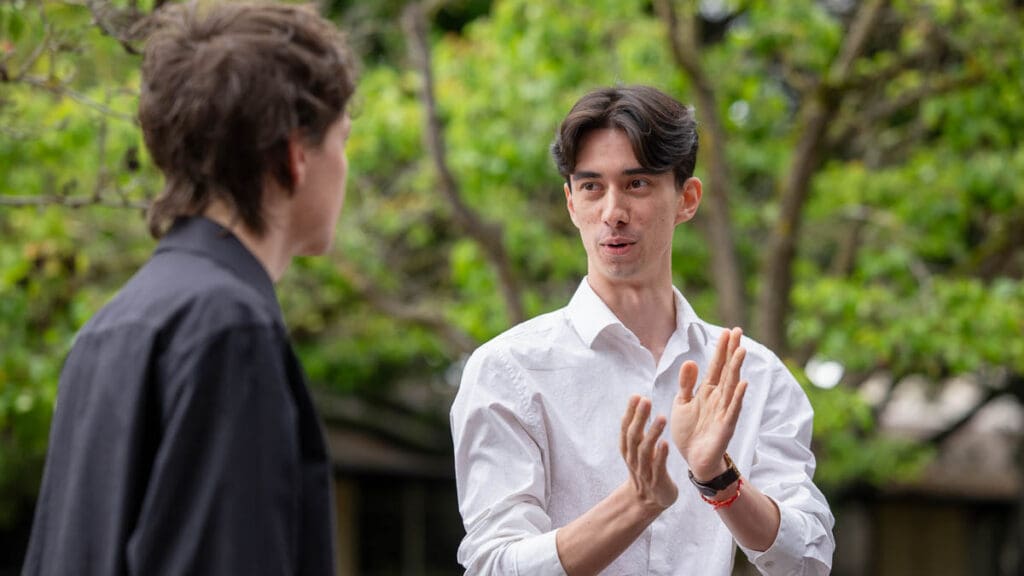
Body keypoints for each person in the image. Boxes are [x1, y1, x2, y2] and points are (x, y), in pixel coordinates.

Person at [23, 3, 356, 574]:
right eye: (342, 140)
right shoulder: (229, 326)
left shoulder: (110, 325)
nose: (345, 164)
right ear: (297, 155)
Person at [450, 85, 835, 575]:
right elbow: (494, 566)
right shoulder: (507, 371)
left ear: (687, 199)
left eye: (637, 184)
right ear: (571, 204)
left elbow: (807, 561)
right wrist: (637, 503)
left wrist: (719, 479)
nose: (613, 212)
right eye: (592, 187)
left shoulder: (751, 373)